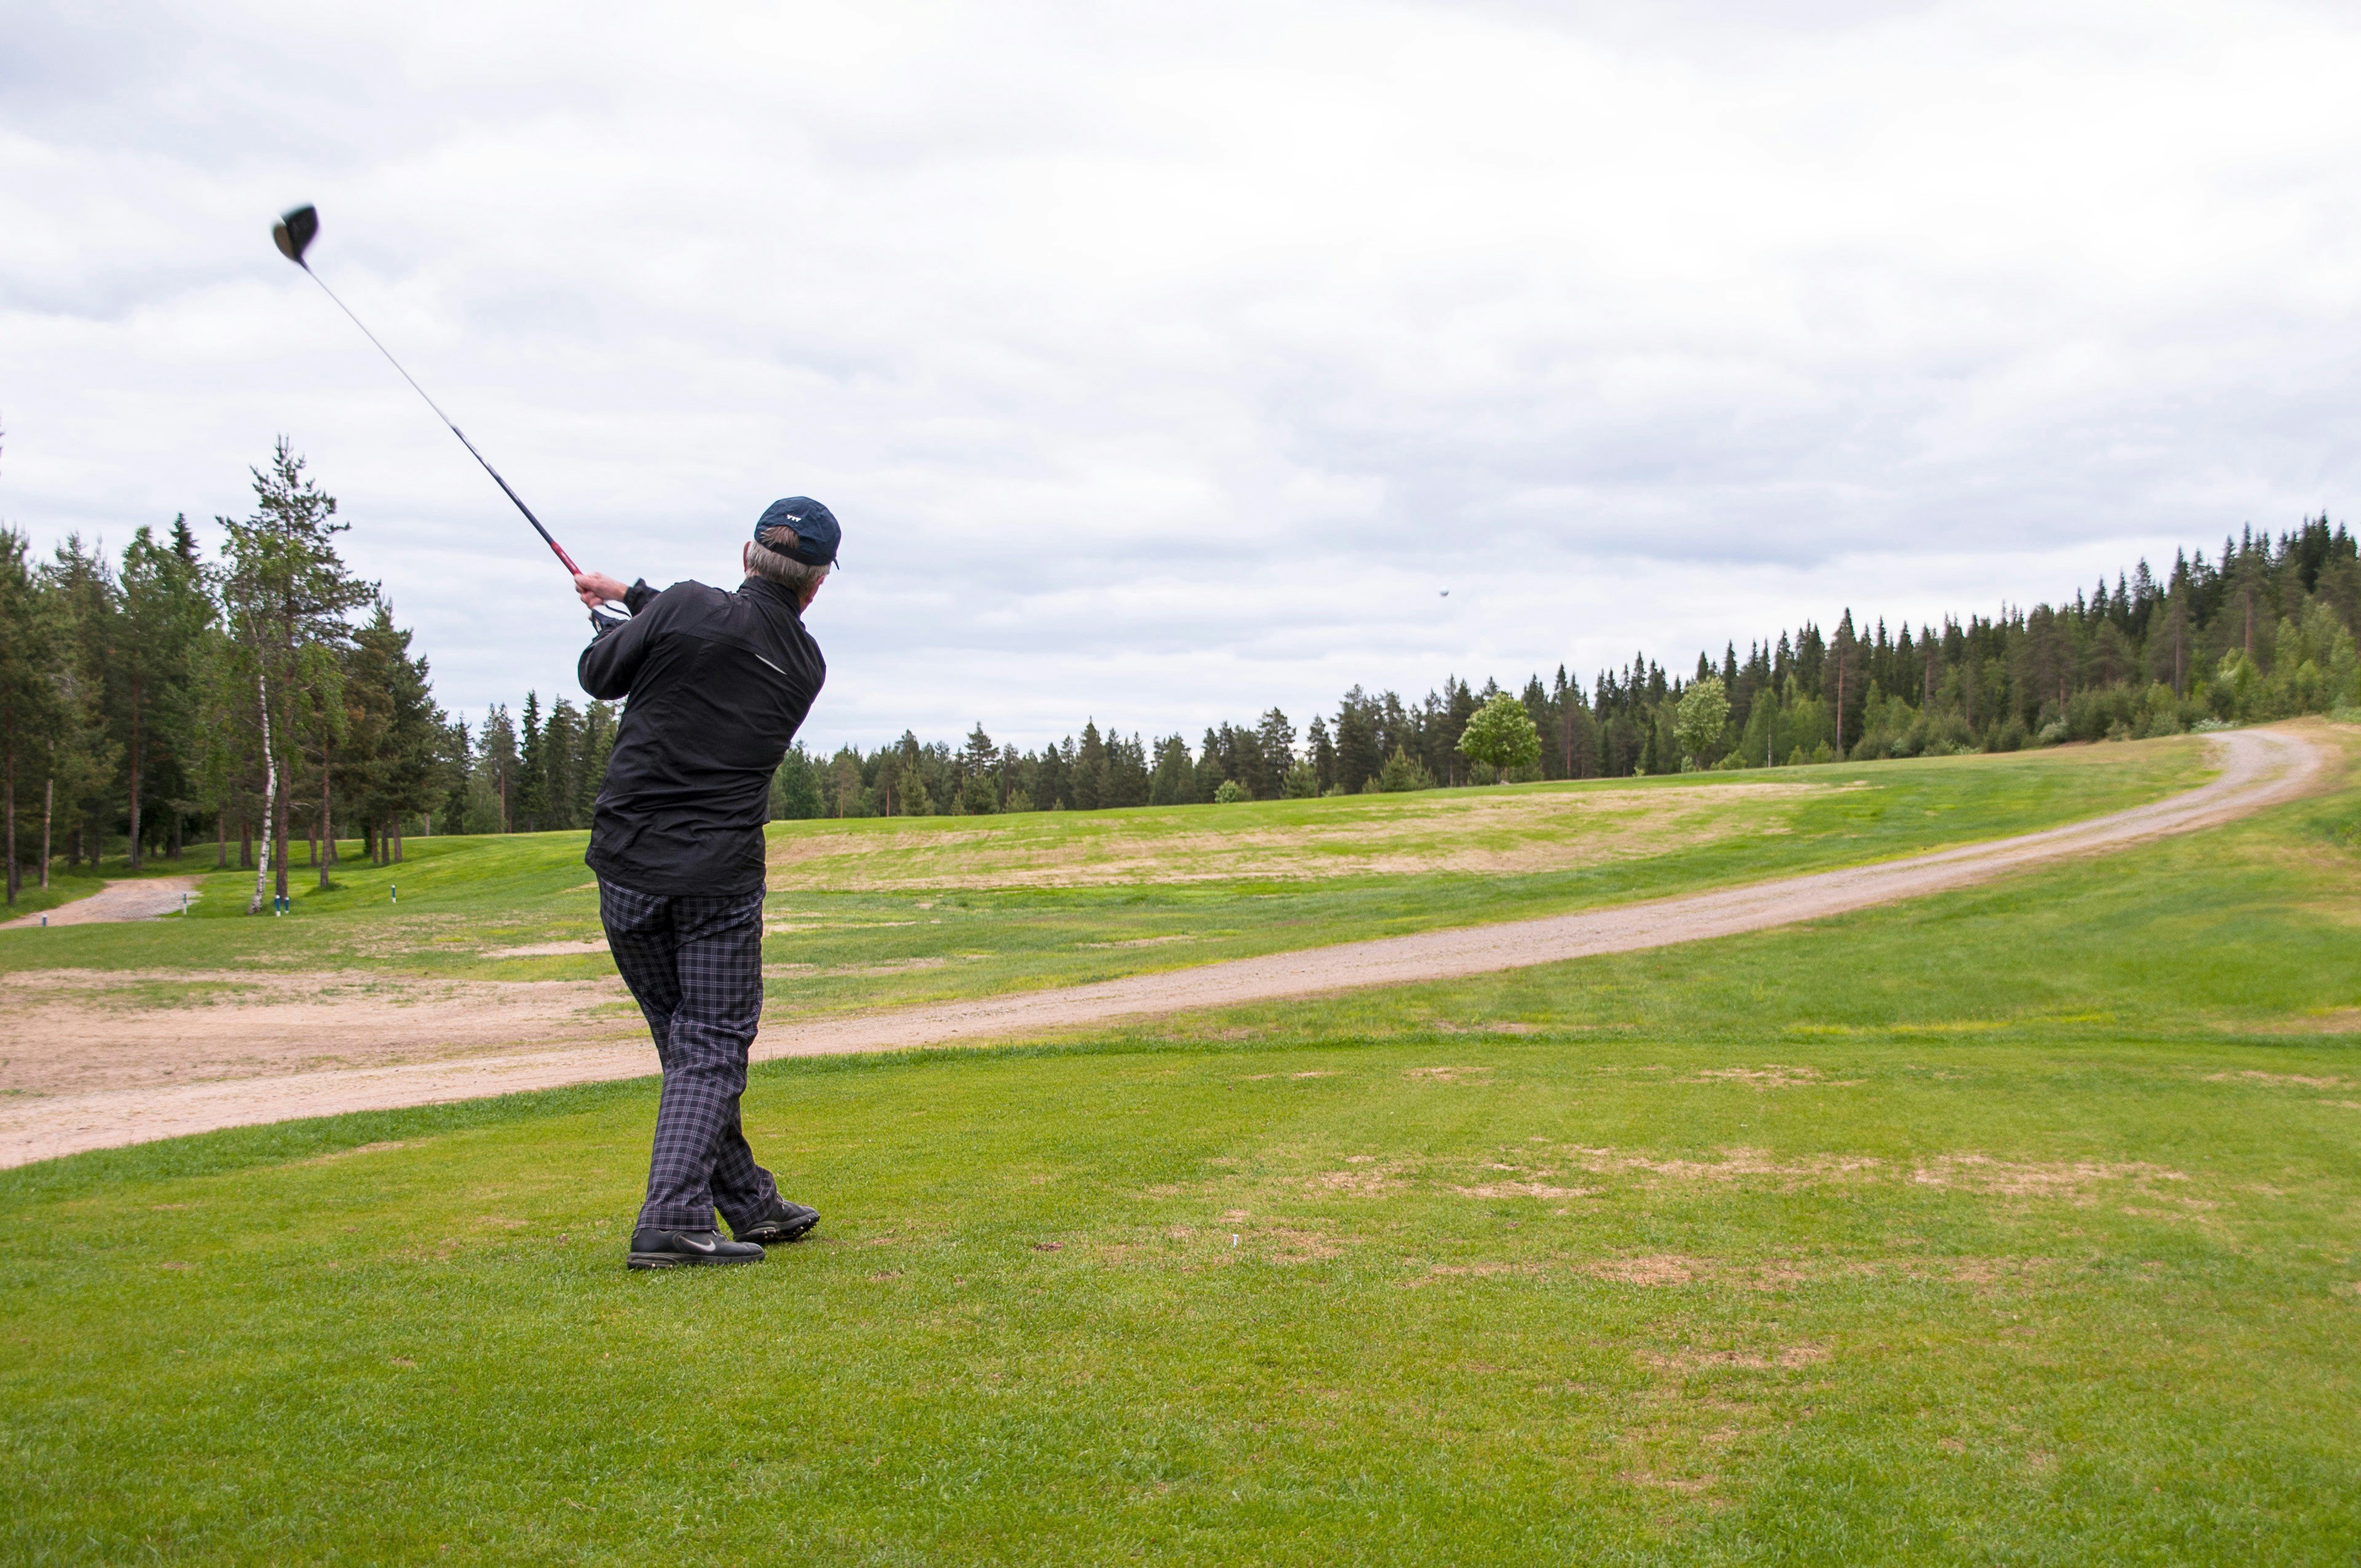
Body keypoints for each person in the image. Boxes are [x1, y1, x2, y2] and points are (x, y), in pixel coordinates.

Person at [572, 497, 838, 1269]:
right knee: (710, 1046)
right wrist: (628, 598)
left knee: (688, 1044)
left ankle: (750, 1201)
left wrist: (624, 624)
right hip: (717, 877)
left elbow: (600, 673)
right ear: (817, 583)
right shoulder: (805, 664)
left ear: (747, 553)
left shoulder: (686, 605)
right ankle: (672, 1219)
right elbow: (723, 631)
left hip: (626, 866)